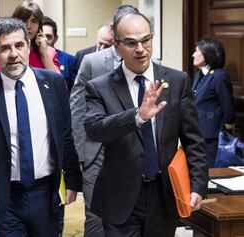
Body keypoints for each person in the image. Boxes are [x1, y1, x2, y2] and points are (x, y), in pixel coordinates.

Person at [84, 11, 208, 236]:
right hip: (120, 197)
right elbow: (94, 129)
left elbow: (194, 141)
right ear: (117, 46)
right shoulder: (99, 87)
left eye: (145, 40)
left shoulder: (177, 81)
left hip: (164, 195)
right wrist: (137, 117)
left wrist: (198, 185)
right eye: (131, 43)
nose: (140, 49)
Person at [0, 17, 82, 236]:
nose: (13, 54)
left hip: (47, 195)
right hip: (4, 197)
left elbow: (65, 135)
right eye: (5, 48)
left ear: (28, 46)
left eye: (19, 45)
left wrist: (73, 179)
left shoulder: (54, 84)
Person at [69, 5, 138, 237]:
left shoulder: (147, 64)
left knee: (131, 217)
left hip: (133, 152)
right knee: (97, 218)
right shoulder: (92, 62)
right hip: (97, 152)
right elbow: (77, 107)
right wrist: (81, 151)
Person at [0, 0, 60, 78]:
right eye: (24, 21)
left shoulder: (49, 52)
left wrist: (44, 53)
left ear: (39, 26)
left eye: (34, 21)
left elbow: (57, 83)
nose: (29, 26)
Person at [192, 37, 235, 167]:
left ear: (206, 55)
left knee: (211, 172)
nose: (193, 54)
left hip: (212, 136)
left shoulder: (219, 76)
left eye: (197, 51)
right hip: (198, 133)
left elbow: (228, 107)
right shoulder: (199, 75)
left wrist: (226, 129)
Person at [42, 16, 76, 92]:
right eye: (41, 36)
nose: (44, 40)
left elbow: (74, 92)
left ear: (55, 38)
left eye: (48, 37)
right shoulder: (30, 58)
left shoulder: (68, 60)